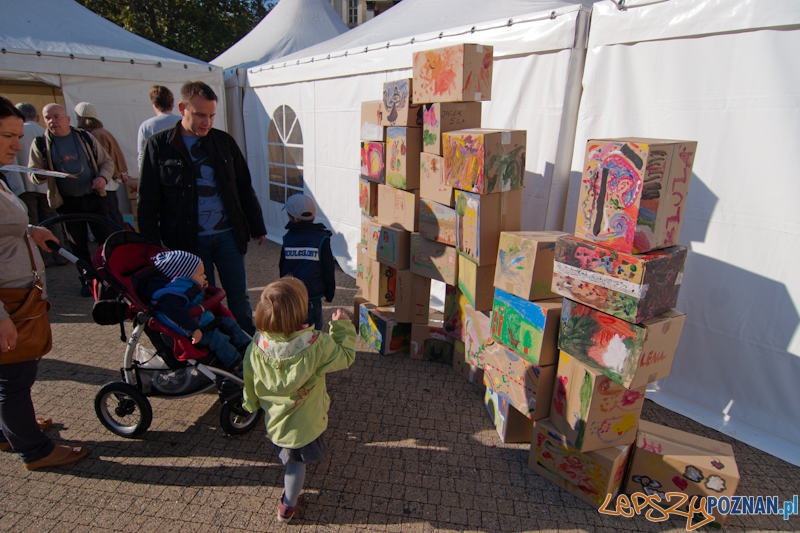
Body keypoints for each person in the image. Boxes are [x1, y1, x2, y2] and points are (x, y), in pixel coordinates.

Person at [0, 95, 89, 470]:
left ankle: (9, 428)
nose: (18, 145)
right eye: (7, 136)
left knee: (12, 376)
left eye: (18, 136)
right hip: (8, 302)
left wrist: (31, 230)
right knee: (14, 378)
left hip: (18, 294)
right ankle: (33, 450)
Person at [138, 81, 266, 335]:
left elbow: (243, 186)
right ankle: (215, 343)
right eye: (200, 115)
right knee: (200, 297)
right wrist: (149, 245)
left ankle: (247, 342)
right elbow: (148, 200)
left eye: (211, 116)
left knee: (238, 296)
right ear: (182, 108)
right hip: (187, 242)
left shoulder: (224, 142)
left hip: (228, 235)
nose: (206, 122)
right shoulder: (158, 145)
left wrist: (257, 225)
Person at [242, 277, 355, 522]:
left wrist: (250, 405)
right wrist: (342, 327)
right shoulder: (316, 344)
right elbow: (345, 356)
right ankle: (288, 505)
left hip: (276, 422)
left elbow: (249, 378)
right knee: (296, 465)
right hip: (305, 423)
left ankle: (289, 500)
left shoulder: (257, 345)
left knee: (288, 454)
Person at [28, 103, 115, 297]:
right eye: (48, 117)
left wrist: (102, 178)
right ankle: (88, 281)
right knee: (77, 245)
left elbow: (107, 162)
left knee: (105, 240)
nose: (53, 121)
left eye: (57, 116)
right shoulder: (41, 144)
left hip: (94, 198)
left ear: (67, 119)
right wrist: (41, 175)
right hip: (67, 202)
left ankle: (112, 279)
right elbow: (34, 174)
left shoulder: (84, 137)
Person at [143, 250, 250, 372]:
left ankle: (248, 348)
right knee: (219, 340)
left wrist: (201, 288)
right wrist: (192, 330)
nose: (204, 277)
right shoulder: (169, 296)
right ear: (183, 276)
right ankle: (237, 366)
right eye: (200, 275)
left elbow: (193, 300)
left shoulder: (185, 286)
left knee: (229, 323)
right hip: (192, 331)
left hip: (204, 322)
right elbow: (177, 316)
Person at [13, 103, 68, 267]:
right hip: (45, 187)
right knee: (52, 221)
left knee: (33, 224)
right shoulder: (43, 131)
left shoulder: (17, 132)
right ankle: (60, 254)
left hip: (25, 186)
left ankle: (43, 259)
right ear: (37, 117)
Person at [279, 193, 336, 331]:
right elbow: (328, 269)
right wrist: (329, 293)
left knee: (295, 328)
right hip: (313, 296)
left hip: (293, 295)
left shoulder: (288, 238)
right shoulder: (321, 238)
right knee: (315, 329)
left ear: (294, 219)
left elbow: (283, 267)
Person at [74, 102, 129, 228]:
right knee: (113, 215)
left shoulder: (97, 134)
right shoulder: (100, 132)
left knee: (110, 218)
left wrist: (115, 174)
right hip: (107, 181)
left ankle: (118, 243)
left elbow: (103, 160)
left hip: (105, 182)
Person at [136, 85, 181, 170]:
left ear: (154, 104)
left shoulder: (146, 126)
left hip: (157, 174)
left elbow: (142, 156)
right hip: (182, 174)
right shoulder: (183, 123)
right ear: (172, 103)